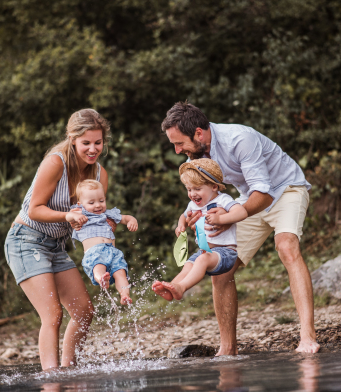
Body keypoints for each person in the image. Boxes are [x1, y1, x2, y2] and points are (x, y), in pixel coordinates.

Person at [161, 101, 320, 354]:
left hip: (285, 189)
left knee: (287, 247)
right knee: (222, 263)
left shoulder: (240, 139)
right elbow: (205, 192)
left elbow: (265, 194)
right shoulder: (198, 154)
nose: (178, 150)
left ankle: (307, 336)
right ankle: (228, 349)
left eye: (179, 143)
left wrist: (228, 217)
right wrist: (201, 214)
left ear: (199, 133)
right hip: (248, 197)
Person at [3, 109, 111, 370]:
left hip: (56, 246)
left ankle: (68, 370)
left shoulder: (99, 175)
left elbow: (95, 223)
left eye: (98, 142)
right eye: (86, 143)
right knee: (52, 315)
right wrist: (67, 216)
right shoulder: (55, 163)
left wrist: (103, 262)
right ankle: (52, 379)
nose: (93, 149)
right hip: (26, 240)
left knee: (85, 311)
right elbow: (34, 209)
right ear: (72, 138)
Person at [152, 158, 247, 300]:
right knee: (189, 265)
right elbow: (183, 216)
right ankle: (171, 287)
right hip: (204, 251)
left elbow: (242, 212)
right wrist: (181, 225)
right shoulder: (193, 204)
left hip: (225, 252)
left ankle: (181, 288)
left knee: (202, 260)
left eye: (197, 189)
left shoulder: (222, 200)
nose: (192, 194)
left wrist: (221, 219)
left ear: (214, 186)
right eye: (189, 189)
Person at [69, 179, 138, 305]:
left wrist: (132, 220)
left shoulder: (109, 214)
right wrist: (75, 217)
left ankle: (124, 295)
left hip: (113, 252)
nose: (97, 205)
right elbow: (69, 216)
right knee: (98, 267)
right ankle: (101, 278)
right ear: (80, 204)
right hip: (95, 252)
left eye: (101, 201)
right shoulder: (81, 214)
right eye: (91, 202)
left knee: (120, 272)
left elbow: (125, 218)